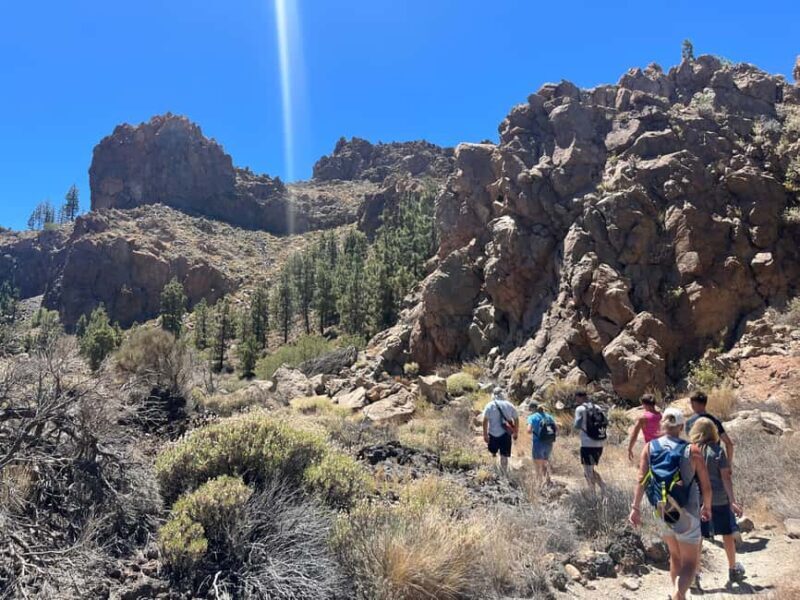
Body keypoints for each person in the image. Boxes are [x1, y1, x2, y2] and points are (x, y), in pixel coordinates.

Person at [629, 408, 713, 600]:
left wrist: (635, 508)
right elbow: (706, 486)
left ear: (663, 424)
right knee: (690, 563)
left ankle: (677, 594)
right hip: (688, 511)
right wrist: (707, 507)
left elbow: (641, 480)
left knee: (675, 557)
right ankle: (678, 594)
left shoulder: (649, 447)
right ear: (682, 426)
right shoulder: (692, 449)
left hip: (662, 510)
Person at [690, 416, 746, 589]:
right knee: (727, 533)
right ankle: (732, 569)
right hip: (719, 499)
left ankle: (695, 575)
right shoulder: (718, 451)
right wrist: (733, 501)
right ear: (713, 432)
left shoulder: (690, 451)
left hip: (698, 501)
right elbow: (725, 478)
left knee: (698, 537)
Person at [686, 391, 734, 468]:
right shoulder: (715, 421)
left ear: (696, 404)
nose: (691, 406)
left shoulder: (690, 422)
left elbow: (689, 444)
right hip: (715, 459)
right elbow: (729, 443)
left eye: (692, 403)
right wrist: (728, 464)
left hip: (697, 461)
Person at [573, 390, 607, 493]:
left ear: (579, 397)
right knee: (590, 469)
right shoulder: (597, 407)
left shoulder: (580, 409)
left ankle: (594, 492)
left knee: (587, 471)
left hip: (587, 444)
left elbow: (577, 425)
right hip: (599, 443)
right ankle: (602, 486)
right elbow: (605, 421)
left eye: (576, 398)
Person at [482, 387, 519, 475]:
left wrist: (485, 434)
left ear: (493, 395)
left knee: (493, 452)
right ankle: (503, 473)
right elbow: (516, 419)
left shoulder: (489, 405)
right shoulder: (509, 405)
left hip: (493, 434)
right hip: (506, 434)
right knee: (504, 455)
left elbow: (485, 420)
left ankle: (494, 472)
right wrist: (516, 432)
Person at [526, 401, 557, 485]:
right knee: (545, 462)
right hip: (549, 443)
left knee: (537, 465)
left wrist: (534, 431)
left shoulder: (532, 417)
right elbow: (556, 428)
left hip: (538, 443)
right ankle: (547, 480)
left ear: (535, 409)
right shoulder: (549, 417)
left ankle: (539, 485)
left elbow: (528, 430)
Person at [627, 393, 662, 461]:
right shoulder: (661, 416)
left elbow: (634, 434)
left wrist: (630, 448)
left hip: (650, 448)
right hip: (662, 447)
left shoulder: (643, 418)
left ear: (644, 404)